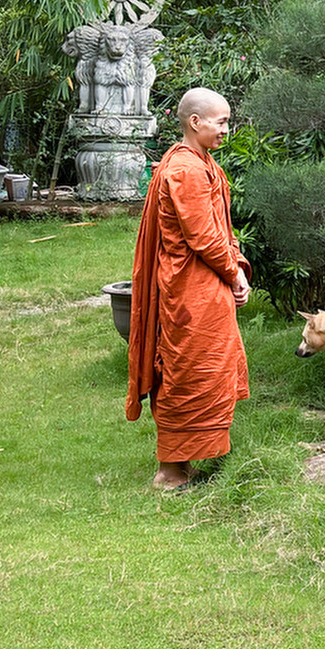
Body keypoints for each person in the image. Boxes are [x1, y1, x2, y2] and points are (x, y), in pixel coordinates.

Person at [125, 88, 251, 492]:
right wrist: (233, 273)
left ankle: (183, 463)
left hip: (205, 284)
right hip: (188, 290)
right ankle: (169, 471)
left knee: (206, 368)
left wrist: (236, 269)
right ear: (195, 122)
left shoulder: (203, 163)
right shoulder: (186, 170)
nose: (225, 130)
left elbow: (220, 228)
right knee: (185, 371)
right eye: (221, 122)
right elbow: (202, 237)